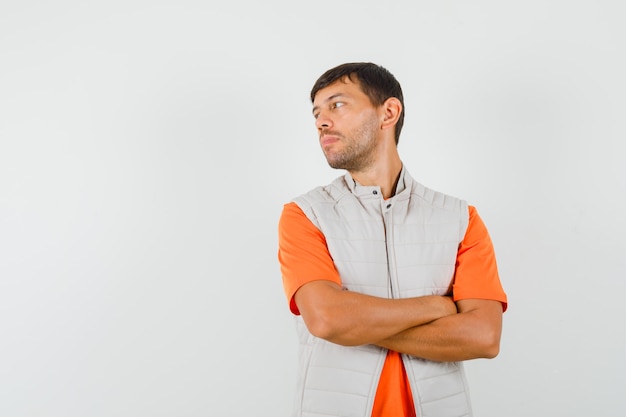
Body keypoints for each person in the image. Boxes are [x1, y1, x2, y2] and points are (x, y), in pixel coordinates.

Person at [277, 62, 507, 417]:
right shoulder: (305, 215)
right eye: (316, 113)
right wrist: (436, 308)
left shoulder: (461, 219)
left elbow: (483, 337)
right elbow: (326, 320)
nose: (322, 121)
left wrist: (355, 324)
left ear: (388, 112)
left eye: (336, 105)